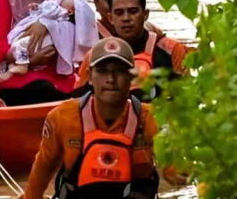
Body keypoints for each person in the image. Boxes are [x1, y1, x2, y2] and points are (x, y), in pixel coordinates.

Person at [24, 37, 160, 199]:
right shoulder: (62, 118)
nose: (111, 79)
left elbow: (176, 171)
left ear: (132, 78)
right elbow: (42, 171)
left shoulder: (152, 119)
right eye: (102, 71)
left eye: (120, 71)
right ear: (89, 76)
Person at [75, 0, 191, 101]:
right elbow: (77, 102)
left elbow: (188, 97)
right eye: (119, 13)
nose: (126, 18)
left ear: (145, 15)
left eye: (133, 11)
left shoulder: (171, 49)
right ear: (110, 18)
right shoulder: (95, 56)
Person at [0, 0, 97, 83]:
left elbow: (50, 10)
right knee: (17, 49)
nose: (59, 2)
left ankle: (22, 65)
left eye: (62, 3)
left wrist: (45, 22)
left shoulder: (63, 16)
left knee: (20, 46)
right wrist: (37, 8)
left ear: (71, 11)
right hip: (33, 49)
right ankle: (14, 68)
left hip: (41, 51)